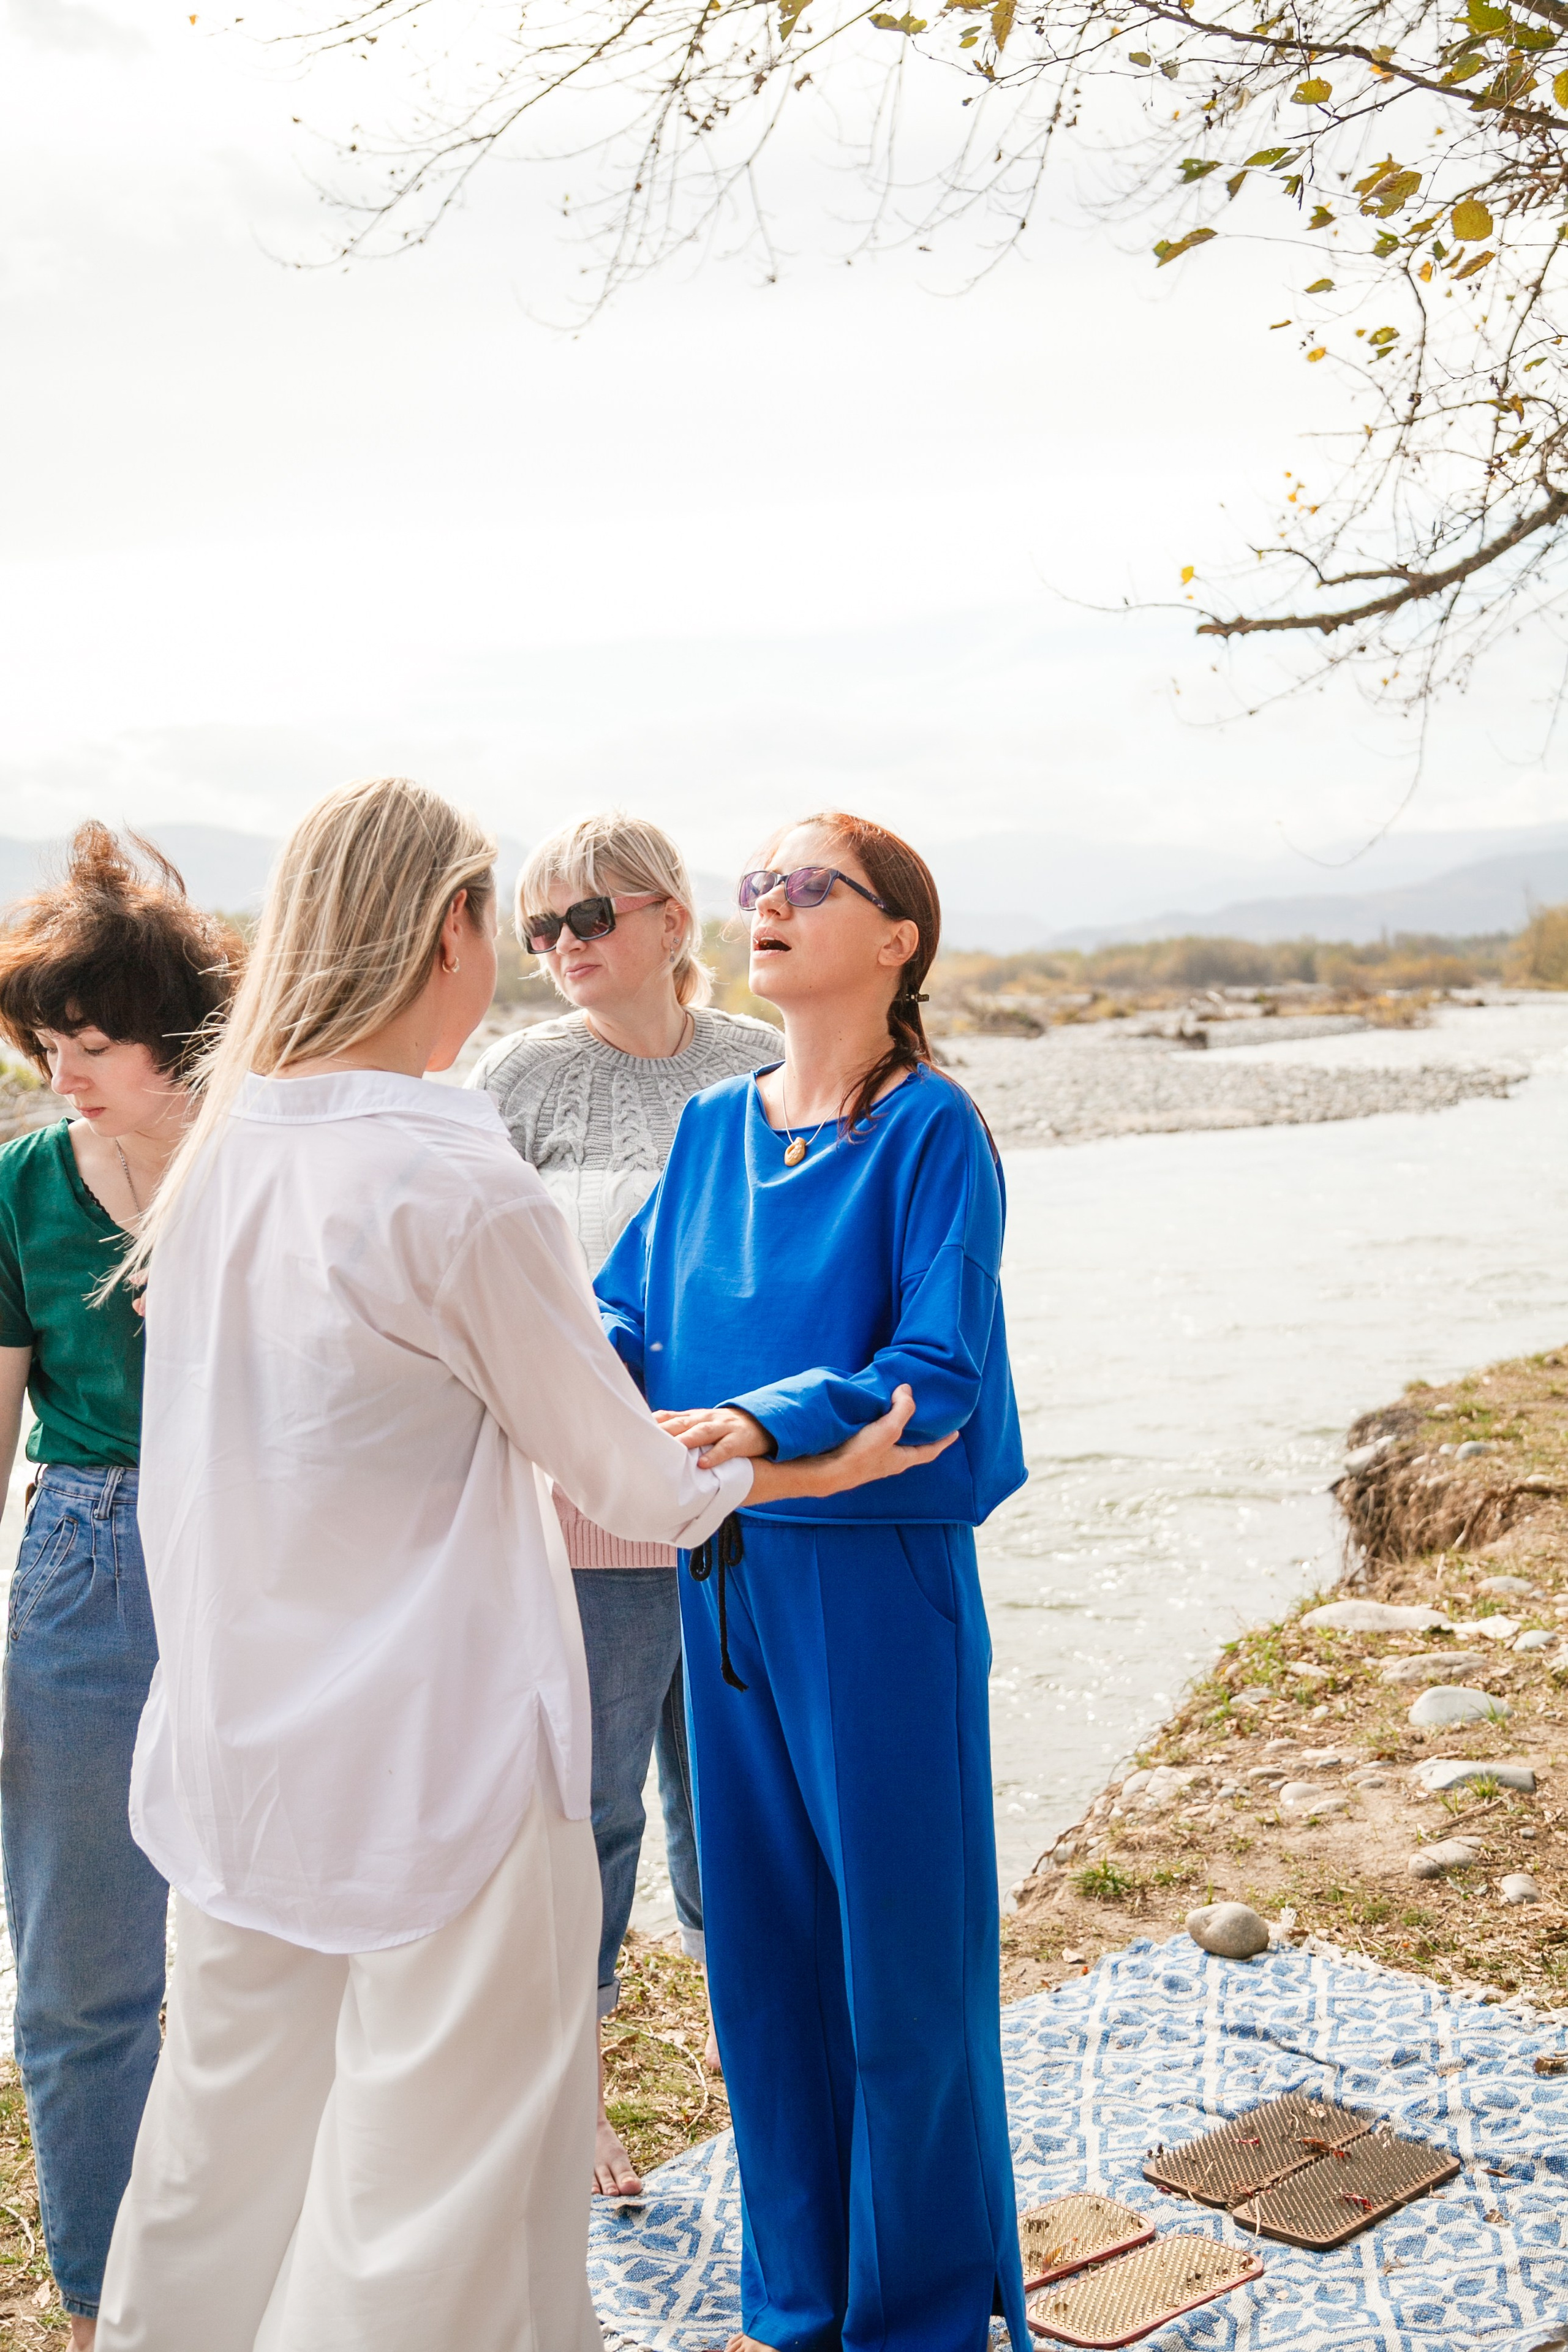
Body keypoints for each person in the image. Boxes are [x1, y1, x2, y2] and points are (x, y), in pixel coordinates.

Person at [92, 776, 949, 2352]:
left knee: (219, 2156)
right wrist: (809, 1454)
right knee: (434, 2198)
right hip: (445, 1755)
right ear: (451, 931)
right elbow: (624, 1469)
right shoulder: (448, 1173)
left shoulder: (216, 1159)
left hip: (235, 1742)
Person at [596, 812, 1031, 2352]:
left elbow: (937, 1366)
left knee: (901, 1969)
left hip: (875, 1581)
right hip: (720, 1581)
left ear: (897, 935)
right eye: (756, 886)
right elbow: (616, 1319)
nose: (767, 906)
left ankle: (915, 2314)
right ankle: (794, 2305)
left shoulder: (931, 1130)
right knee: (767, 1968)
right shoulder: (712, 1127)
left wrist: (759, 1420)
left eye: (808, 887)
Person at [472, 811, 777, 2197]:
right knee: (586, 1818)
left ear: (668, 917)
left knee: (738, 1815)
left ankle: (767, 2086)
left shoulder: (760, 1064)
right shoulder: (517, 1079)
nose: (560, 950)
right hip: (580, 1512)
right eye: (537, 930)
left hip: (748, 1507)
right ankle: (575, 2105)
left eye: (585, 918)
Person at [0, 826, 239, 2348]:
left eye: (95, 1044)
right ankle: (105, 2310)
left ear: (182, 1033)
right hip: (83, 1562)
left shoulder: (268, 1155)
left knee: (282, 1955)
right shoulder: (21, 1183)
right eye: (44, 1042)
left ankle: (277, 2277)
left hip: (270, 1563)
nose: (63, 1072)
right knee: (83, 1978)